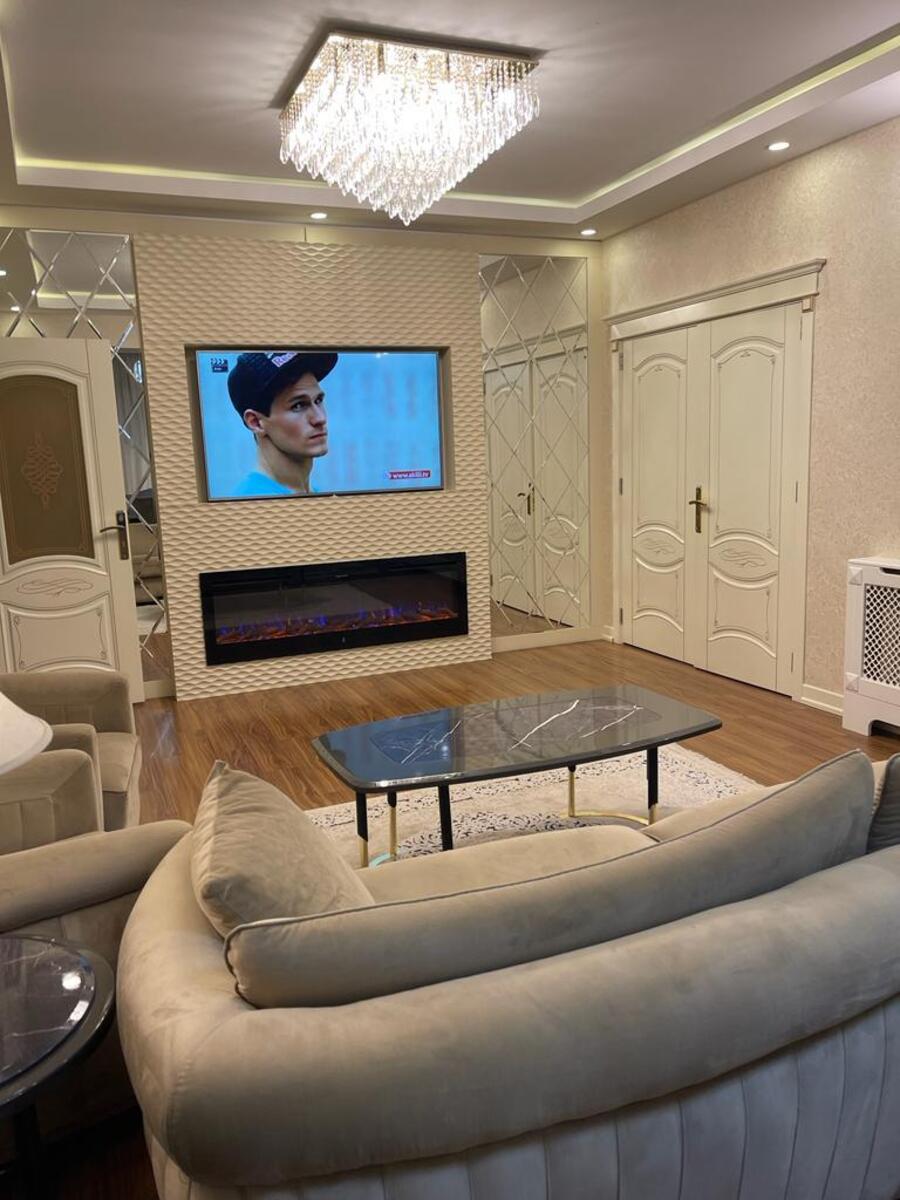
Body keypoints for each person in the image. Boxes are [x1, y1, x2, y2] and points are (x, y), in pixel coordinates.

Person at [226, 350, 338, 497]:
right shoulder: (249, 503)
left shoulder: (317, 494)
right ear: (256, 422)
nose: (320, 418)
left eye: (318, 400)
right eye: (298, 405)